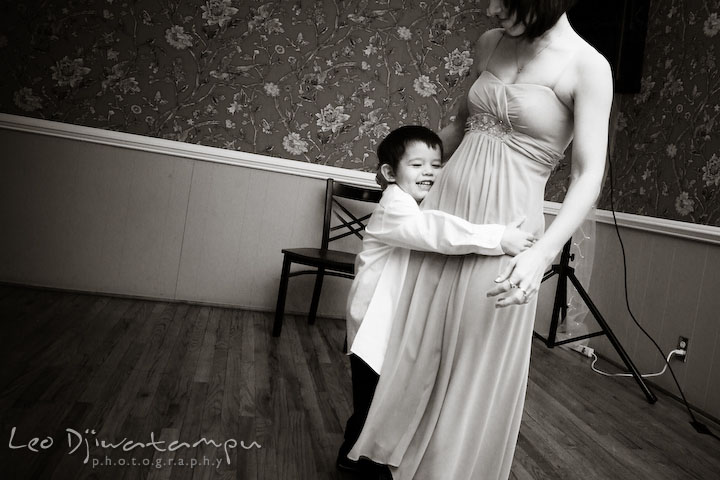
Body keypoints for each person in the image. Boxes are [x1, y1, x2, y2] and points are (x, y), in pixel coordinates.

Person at [348, 1, 613, 479]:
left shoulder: (589, 66)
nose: (492, 8)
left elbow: (588, 174)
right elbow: (456, 126)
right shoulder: (490, 43)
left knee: (472, 352)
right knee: (415, 342)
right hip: (444, 210)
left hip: (509, 232)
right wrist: (400, 180)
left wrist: (541, 255)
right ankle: (386, 460)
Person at [337, 125, 537, 475]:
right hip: (374, 323)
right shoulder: (394, 206)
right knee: (371, 399)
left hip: (392, 322)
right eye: (416, 165)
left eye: (436, 164)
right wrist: (498, 237)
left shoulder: (414, 200)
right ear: (389, 173)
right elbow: (434, 231)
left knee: (383, 396)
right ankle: (357, 461)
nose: (428, 172)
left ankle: (361, 456)